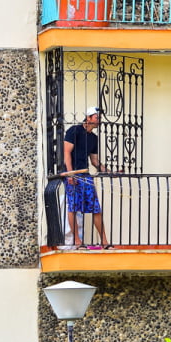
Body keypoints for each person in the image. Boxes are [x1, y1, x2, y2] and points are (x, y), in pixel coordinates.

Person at [63, 106, 110, 249]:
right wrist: (70, 173)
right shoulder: (74, 131)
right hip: (73, 174)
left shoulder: (93, 138)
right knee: (73, 206)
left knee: (96, 208)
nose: (98, 121)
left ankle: (104, 242)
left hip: (85, 175)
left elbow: (94, 161)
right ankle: (77, 241)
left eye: (99, 118)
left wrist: (108, 171)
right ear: (88, 118)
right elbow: (66, 153)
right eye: (96, 118)